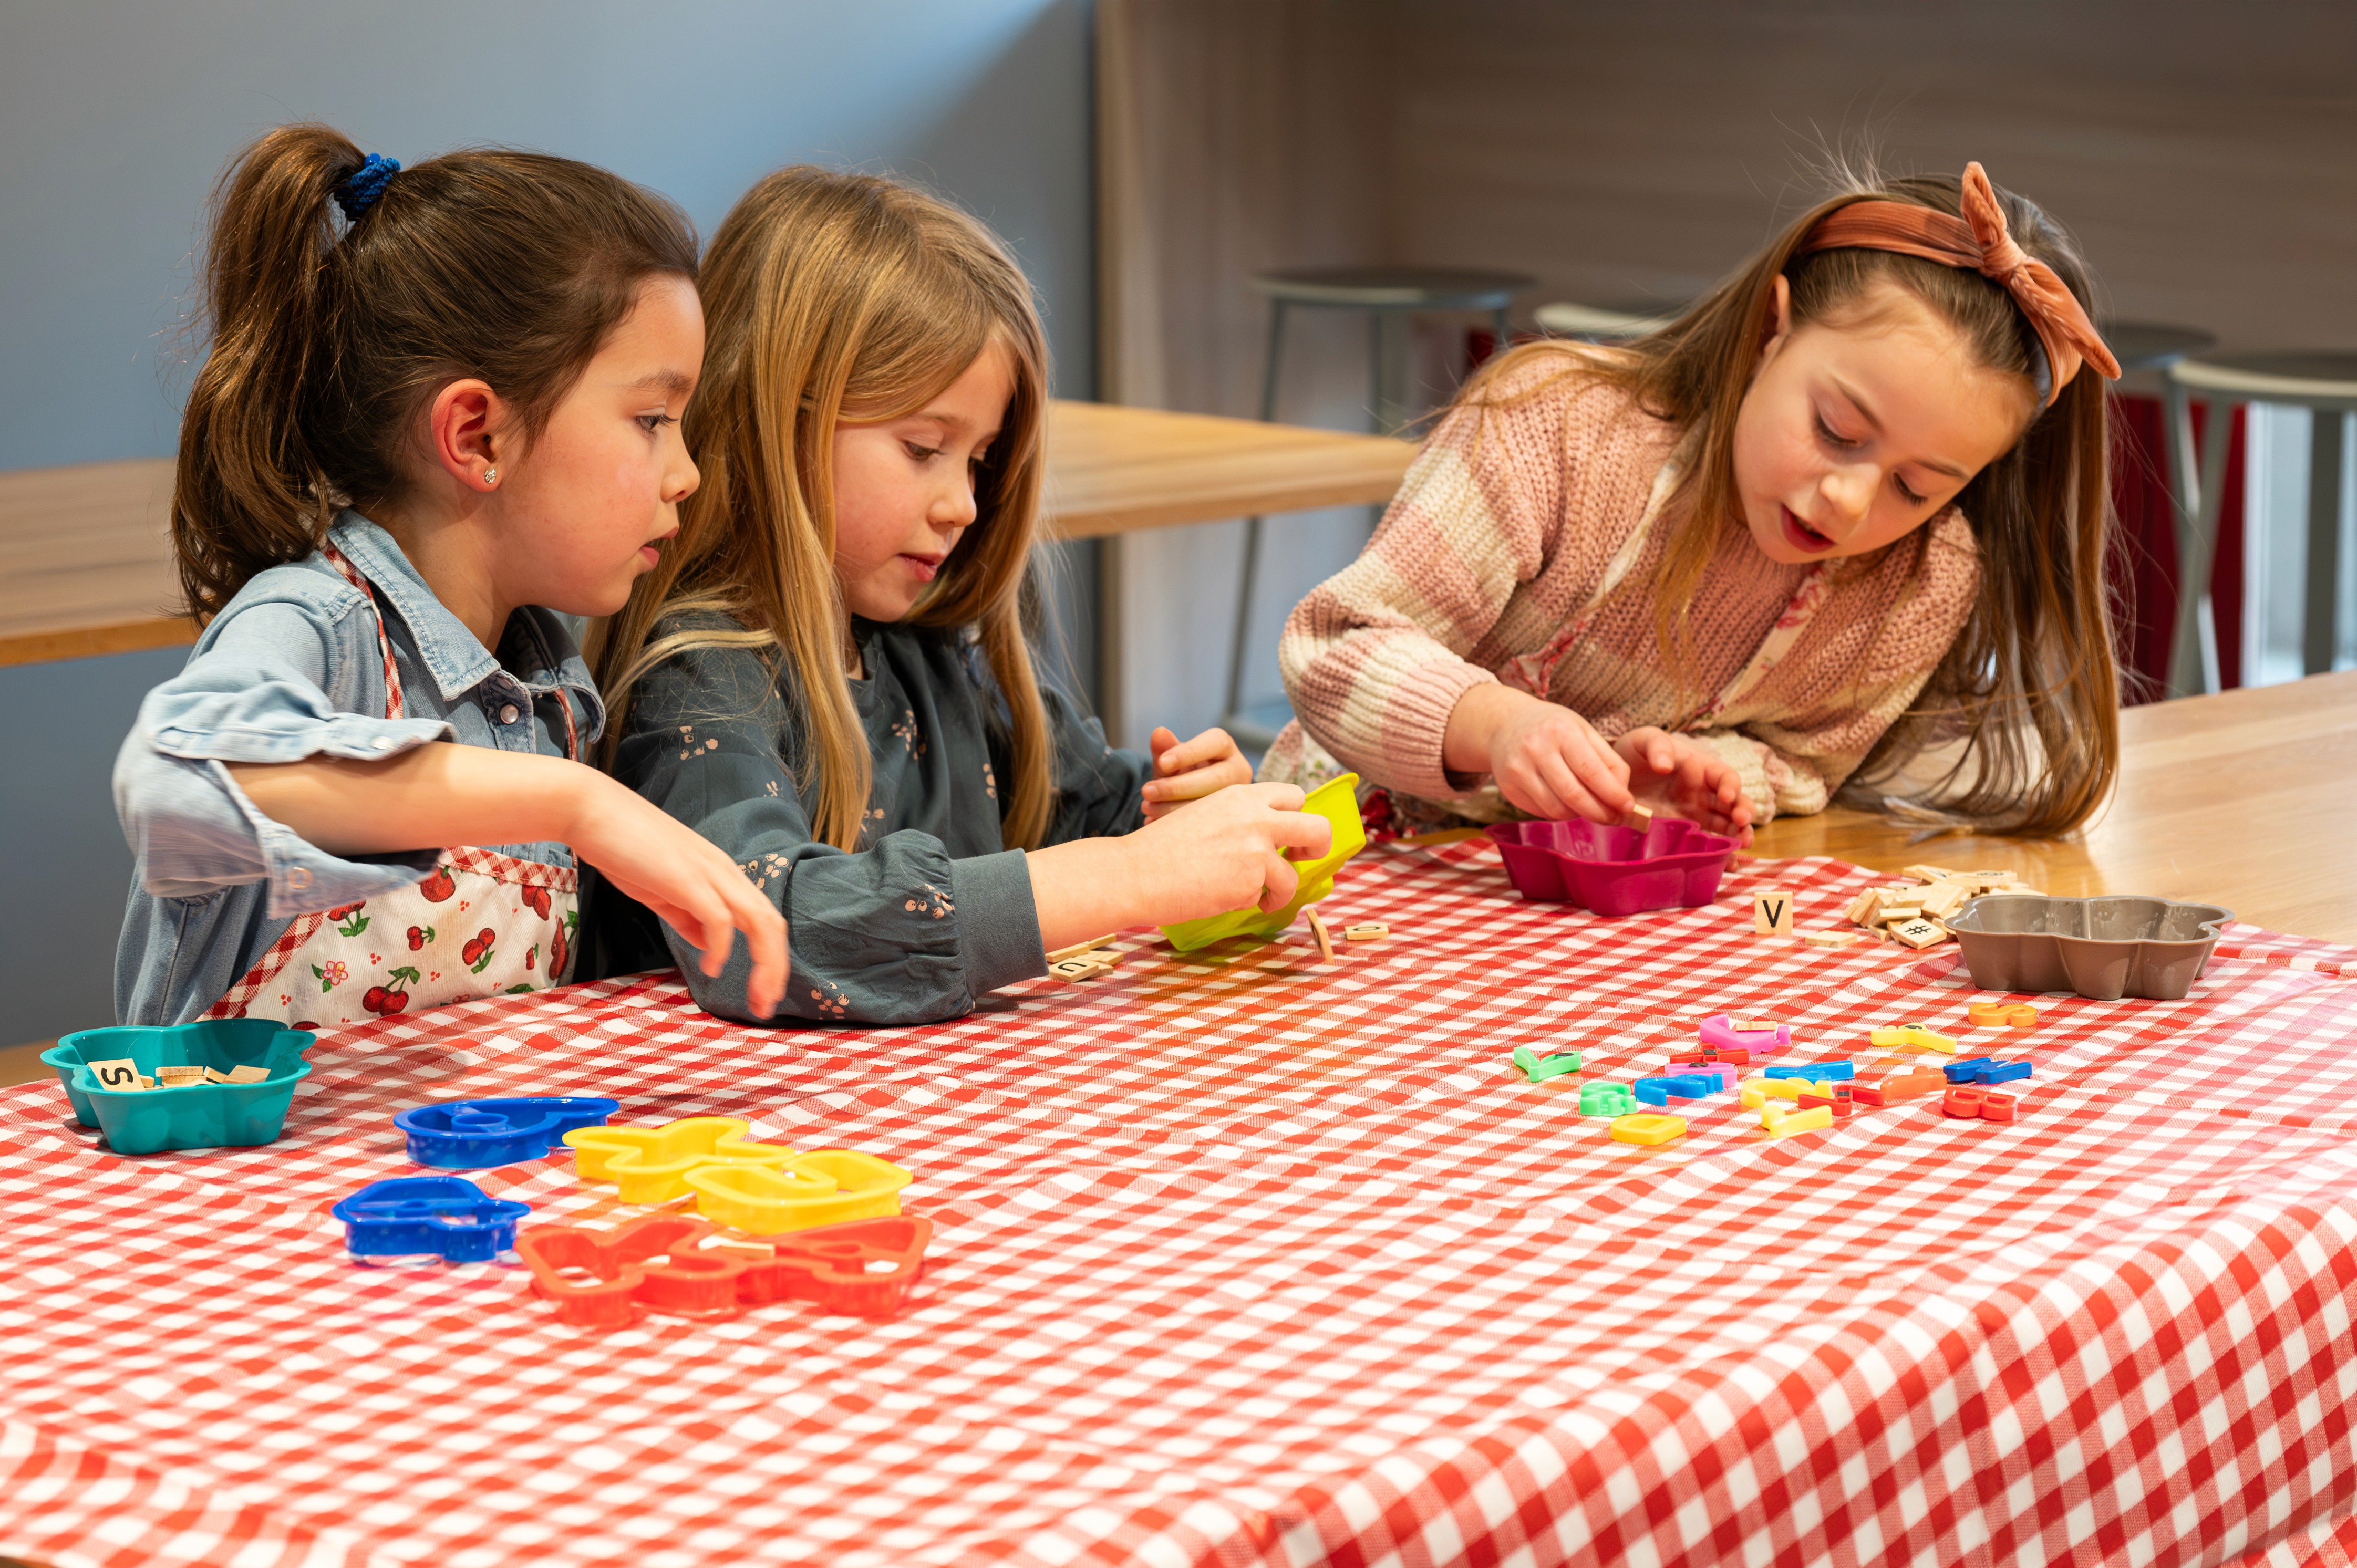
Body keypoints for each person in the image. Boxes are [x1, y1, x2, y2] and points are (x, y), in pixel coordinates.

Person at [589, 167, 1328, 1026]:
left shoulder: (933, 648)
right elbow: (760, 933)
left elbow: (1089, 815)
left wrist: (1185, 813)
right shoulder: (698, 673)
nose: (965, 505)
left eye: (978, 460)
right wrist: (1135, 873)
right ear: (777, 419)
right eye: (922, 448)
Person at [115, 124, 789, 1029]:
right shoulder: (316, 625)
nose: (687, 474)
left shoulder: (548, 692)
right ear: (478, 435)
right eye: (652, 419)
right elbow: (178, 783)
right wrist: (578, 803)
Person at [1266, 162, 2121, 842]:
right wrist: (1493, 725)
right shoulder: (1555, 427)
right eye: (1836, 430)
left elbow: (1806, 767)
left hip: (1565, 928)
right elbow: (1336, 644)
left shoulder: (1921, 582)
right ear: (1769, 330)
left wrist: (1700, 776)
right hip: (1345, 860)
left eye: (1916, 486)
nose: (1848, 501)